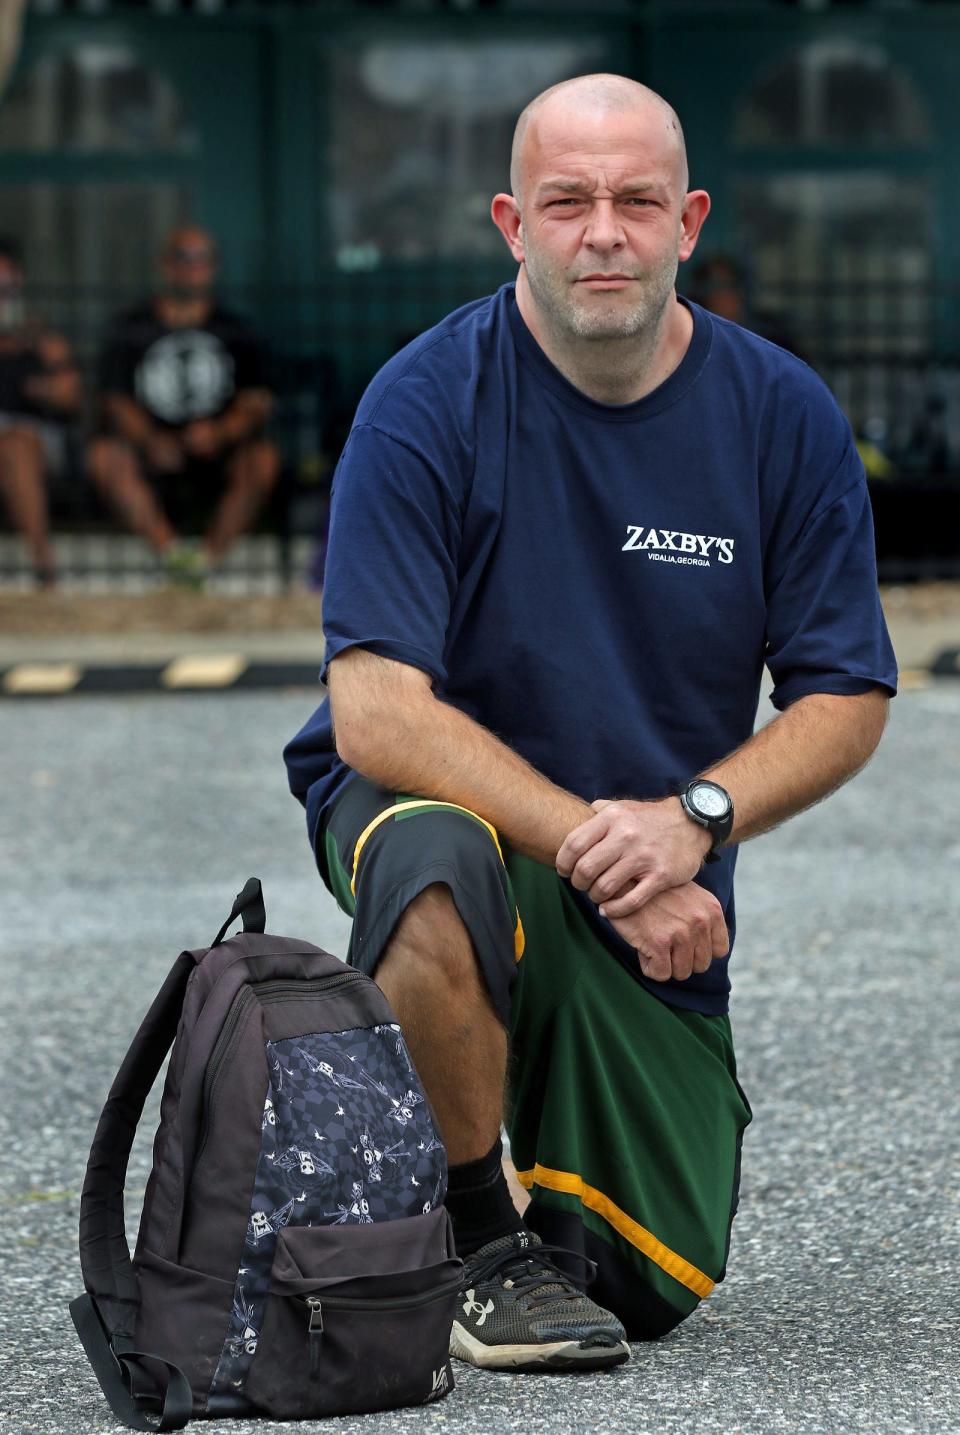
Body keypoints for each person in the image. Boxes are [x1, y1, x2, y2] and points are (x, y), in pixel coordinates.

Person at [284, 75, 896, 1372]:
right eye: (568, 201)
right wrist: (596, 844)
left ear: (690, 220)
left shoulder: (780, 413)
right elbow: (378, 708)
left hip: (653, 859)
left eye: (636, 200)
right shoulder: (423, 399)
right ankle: (472, 1238)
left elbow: (846, 693)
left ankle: (476, 1174)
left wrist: (697, 820)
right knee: (436, 858)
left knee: (648, 1277)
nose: (602, 231)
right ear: (514, 221)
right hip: (470, 814)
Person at [87, 226, 279, 582]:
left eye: (202, 259)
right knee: (104, 457)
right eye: (183, 258)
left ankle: (206, 561)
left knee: (263, 460)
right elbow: (114, 400)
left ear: (214, 268)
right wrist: (150, 440)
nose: (193, 268)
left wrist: (220, 432)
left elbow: (257, 400)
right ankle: (173, 555)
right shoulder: (132, 326)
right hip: (151, 444)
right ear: (165, 265)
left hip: (218, 446)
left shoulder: (235, 329)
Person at [0, 238, 81, 586]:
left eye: (6, 284)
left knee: (14, 444)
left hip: (36, 440)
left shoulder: (43, 338)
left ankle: (42, 562)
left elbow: (71, 399)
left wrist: (43, 386)